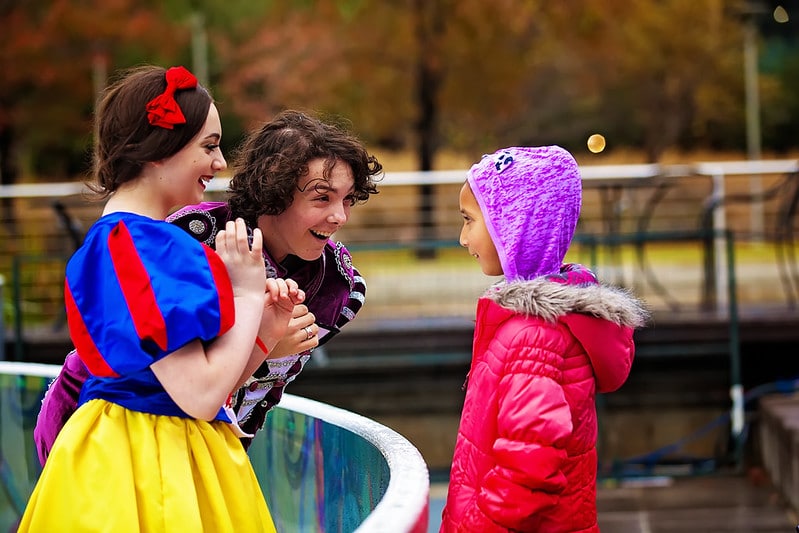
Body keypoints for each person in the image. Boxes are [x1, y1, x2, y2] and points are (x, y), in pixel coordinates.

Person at [20, 65, 301, 531]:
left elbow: (185, 381)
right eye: (208, 146)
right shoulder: (149, 249)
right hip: (156, 467)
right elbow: (199, 397)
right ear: (157, 150)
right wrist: (246, 293)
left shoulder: (112, 244)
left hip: (123, 455)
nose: (219, 164)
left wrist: (261, 336)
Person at [33, 109, 382, 462]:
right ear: (274, 189)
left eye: (348, 198)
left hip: (212, 452)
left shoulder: (339, 286)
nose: (340, 216)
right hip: (114, 440)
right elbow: (165, 381)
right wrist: (264, 344)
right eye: (322, 198)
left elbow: (253, 397)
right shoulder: (191, 237)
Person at [440, 146, 649, 533]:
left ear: (512, 225)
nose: (462, 237)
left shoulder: (535, 337)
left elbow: (529, 468)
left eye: (469, 221)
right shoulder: (540, 326)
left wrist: (472, 526)